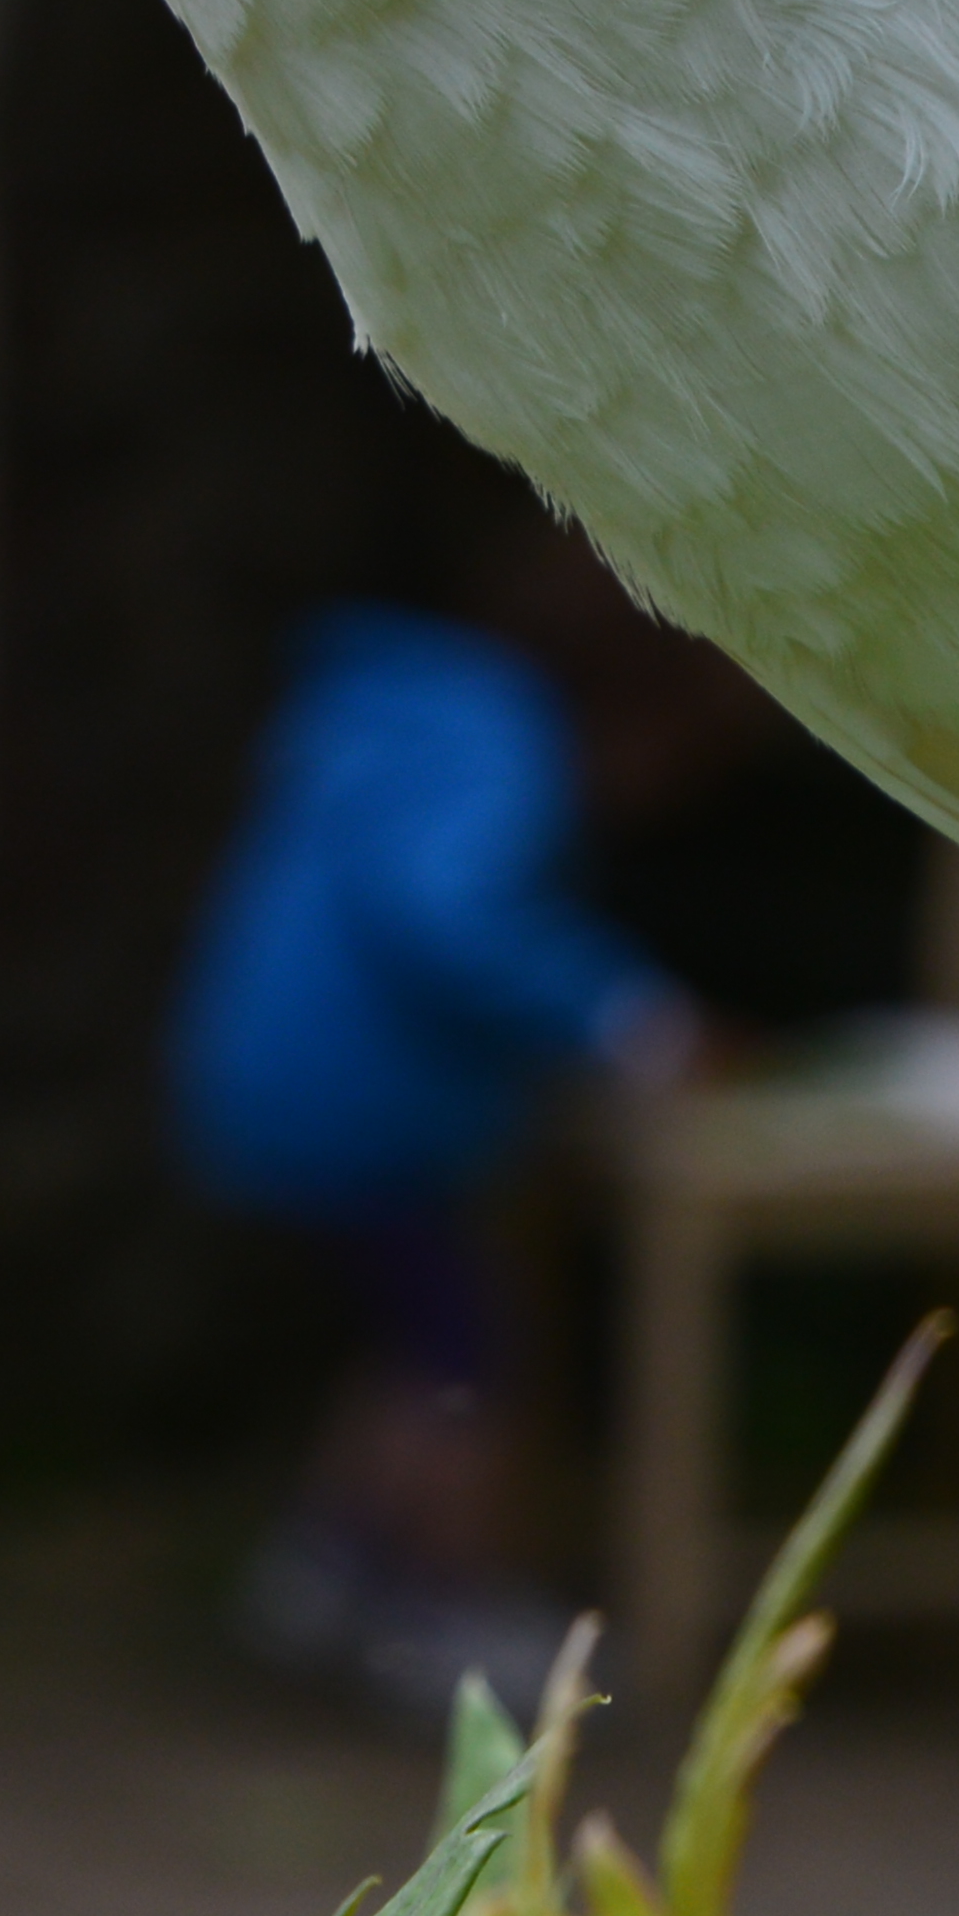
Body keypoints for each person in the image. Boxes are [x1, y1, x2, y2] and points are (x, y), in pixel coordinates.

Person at [174, 598, 701, 1707]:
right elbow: (449, 910)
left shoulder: (408, 710)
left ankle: (324, 1576)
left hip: (285, 1074)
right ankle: (445, 1613)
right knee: (467, 1356)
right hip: (349, 1096)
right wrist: (617, 1009)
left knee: (411, 1334)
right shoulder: (494, 730)